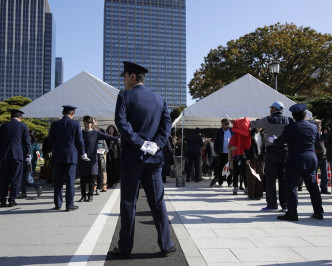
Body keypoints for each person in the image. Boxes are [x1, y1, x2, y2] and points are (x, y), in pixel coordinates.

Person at [112, 61, 175, 258]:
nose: (123, 80)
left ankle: (125, 247)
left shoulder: (124, 95)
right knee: (157, 202)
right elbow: (167, 125)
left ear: (132, 76)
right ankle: (166, 244)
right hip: (154, 158)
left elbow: (121, 123)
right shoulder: (159, 99)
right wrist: (156, 144)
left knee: (129, 202)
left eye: (124, 76)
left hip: (133, 156)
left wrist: (140, 143)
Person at [271, 103, 324, 221]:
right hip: (310, 158)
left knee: (292, 187)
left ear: (293, 116)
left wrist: (274, 140)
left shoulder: (290, 128)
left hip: (295, 159)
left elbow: (280, 142)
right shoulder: (313, 127)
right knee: (313, 186)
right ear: (305, 115)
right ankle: (318, 211)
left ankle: (292, 213)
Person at [250, 101, 291, 212]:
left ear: (274, 109)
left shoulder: (268, 119)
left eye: (271, 108)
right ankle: (285, 205)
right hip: (285, 152)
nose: (270, 110)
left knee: (271, 179)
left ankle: (272, 205)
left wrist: (239, 122)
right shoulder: (288, 120)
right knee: (283, 179)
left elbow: (253, 124)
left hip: (271, 152)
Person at [48, 105, 89, 212]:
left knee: (58, 182)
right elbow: (80, 141)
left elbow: (50, 140)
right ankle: (69, 205)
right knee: (70, 182)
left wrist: (56, 148)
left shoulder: (54, 124)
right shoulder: (75, 124)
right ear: (72, 113)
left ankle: (58, 204)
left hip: (57, 155)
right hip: (71, 156)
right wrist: (83, 153)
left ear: (63, 113)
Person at [78, 115, 118, 202]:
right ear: (83, 123)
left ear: (92, 123)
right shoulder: (81, 133)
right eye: (85, 123)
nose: (87, 125)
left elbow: (107, 137)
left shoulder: (95, 133)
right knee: (83, 178)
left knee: (92, 177)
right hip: (82, 158)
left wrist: (117, 139)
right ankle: (83, 195)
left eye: (89, 123)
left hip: (92, 158)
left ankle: (90, 195)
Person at [0, 110, 31, 207]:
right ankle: (12, 199)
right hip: (17, 155)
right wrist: (28, 153)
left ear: (11, 116)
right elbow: (26, 141)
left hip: (4, 155)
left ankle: (2, 200)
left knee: (3, 179)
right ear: (20, 117)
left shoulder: (4, 126)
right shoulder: (23, 126)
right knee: (16, 178)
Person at [211, 119, 233, 187]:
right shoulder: (219, 131)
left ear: (226, 124)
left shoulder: (232, 130)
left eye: (223, 124)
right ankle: (220, 182)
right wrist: (216, 152)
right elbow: (216, 143)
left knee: (230, 167)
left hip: (230, 152)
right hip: (221, 152)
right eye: (221, 124)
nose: (221, 125)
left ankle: (229, 182)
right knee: (221, 167)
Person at [245, 128, 264, 200]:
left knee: (260, 175)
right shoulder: (250, 134)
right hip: (252, 156)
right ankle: (251, 194)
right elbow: (247, 147)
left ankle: (259, 194)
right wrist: (247, 158)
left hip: (261, 157)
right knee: (252, 176)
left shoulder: (263, 134)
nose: (259, 127)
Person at [92, 118, 108, 194]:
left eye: (93, 122)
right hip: (93, 153)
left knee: (103, 169)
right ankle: (95, 185)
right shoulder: (89, 131)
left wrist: (106, 149)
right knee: (94, 169)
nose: (92, 123)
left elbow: (104, 141)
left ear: (96, 123)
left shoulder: (101, 130)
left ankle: (104, 185)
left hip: (101, 152)